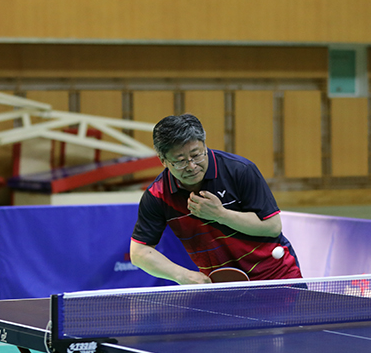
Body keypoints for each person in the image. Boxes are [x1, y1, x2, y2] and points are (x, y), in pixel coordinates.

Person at [130, 114, 303, 284]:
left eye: (196, 155)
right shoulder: (158, 195)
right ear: (163, 160)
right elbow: (139, 252)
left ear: (204, 145)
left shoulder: (239, 170)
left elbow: (272, 227)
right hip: (221, 284)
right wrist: (182, 276)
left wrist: (220, 214)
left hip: (276, 275)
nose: (191, 166)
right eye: (180, 161)